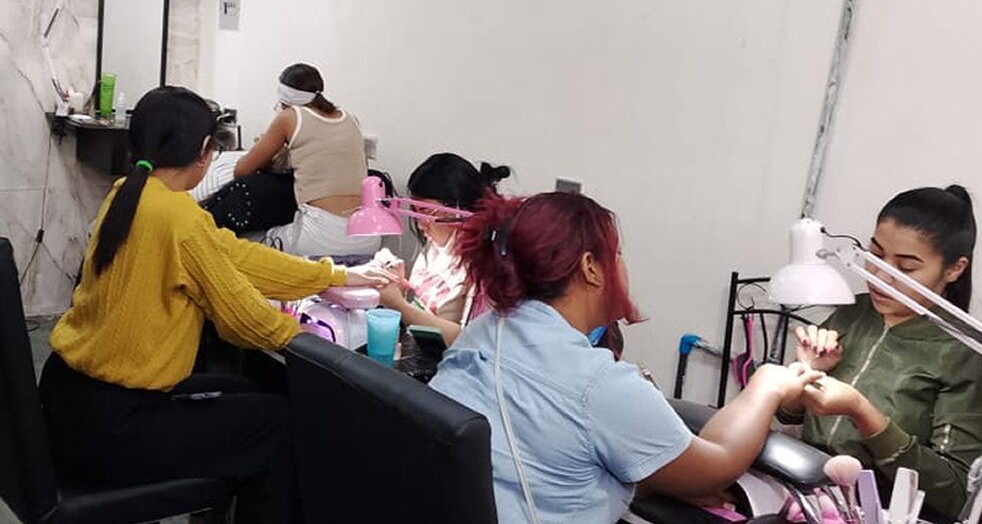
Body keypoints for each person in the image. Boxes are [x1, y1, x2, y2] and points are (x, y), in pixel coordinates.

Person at [38, 87, 391, 524]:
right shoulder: (176, 218)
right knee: (277, 426)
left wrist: (333, 276)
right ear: (205, 151)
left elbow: (231, 255)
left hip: (67, 401)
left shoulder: (130, 194)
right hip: (110, 429)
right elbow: (242, 317)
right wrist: (310, 341)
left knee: (249, 392)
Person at [430, 192, 822, 523]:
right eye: (617, 254)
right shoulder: (598, 384)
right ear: (591, 268)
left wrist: (642, 477)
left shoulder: (482, 332)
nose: (623, 266)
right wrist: (767, 385)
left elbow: (542, 456)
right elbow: (716, 466)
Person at [784, 185, 982, 522]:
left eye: (905, 267)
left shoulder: (971, 356)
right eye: (875, 255)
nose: (879, 276)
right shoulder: (854, 313)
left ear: (954, 269)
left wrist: (863, 413)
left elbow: (956, 495)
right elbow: (790, 416)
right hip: (808, 491)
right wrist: (805, 377)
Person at [235, 63, 377, 258]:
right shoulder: (351, 119)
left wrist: (272, 154)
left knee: (244, 242)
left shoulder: (289, 117)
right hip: (368, 235)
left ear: (284, 99)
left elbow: (242, 170)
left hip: (323, 238)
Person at [375, 153, 510, 345]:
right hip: (420, 348)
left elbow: (464, 340)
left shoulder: (484, 266)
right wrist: (400, 287)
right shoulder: (436, 246)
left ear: (458, 208)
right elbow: (421, 312)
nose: (420, 225)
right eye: (416, 214)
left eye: (426, 212)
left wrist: (397, 304)